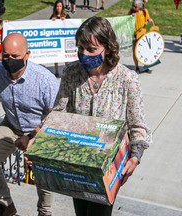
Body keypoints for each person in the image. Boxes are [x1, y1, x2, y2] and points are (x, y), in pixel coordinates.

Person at [53, 16, 152, 216]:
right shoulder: (72, 73)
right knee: (81, 212)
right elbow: (59, 114)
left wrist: (135, 157)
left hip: (108, 167)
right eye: (81, 48)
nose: (84, 54)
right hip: (77, 163)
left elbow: (138, 125)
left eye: (91, 49)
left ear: (107, 47)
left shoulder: (127, 79)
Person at [0, 33, 59, 216]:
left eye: (15, 56)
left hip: (40, 129)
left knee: (42, 172)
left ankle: (44, 212)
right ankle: (6, 205)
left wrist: (32, 136)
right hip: (11, 123)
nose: (9, 60)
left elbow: (54, 116)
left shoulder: (44, 80)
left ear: (27, 54)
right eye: (6, 55)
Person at [129, 0, 153, 73]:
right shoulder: (131, 11)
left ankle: (146, 66)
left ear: (140, 7)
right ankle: (137, 68)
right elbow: (127, 20)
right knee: (135, 51)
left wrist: (149, 20)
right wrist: (131, 16)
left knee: (145, 51)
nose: (133, 7)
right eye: (133, 5)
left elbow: (148, 19)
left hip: (142, 34)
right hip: (134, 34)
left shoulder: (145, 11)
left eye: (135, 6)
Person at [49, 0, 70, 77]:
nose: (58, 8)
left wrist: (65, 20)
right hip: (56, 38)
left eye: (60, 6)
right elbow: (47, 25)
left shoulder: (66, 15)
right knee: (56, 55)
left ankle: (68, 70)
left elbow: (71, 25)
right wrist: (52, 21)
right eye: (57, 6)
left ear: (62, 7)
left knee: (66, 55)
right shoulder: (53, 16)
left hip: (64, 38)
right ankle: (56, 71)